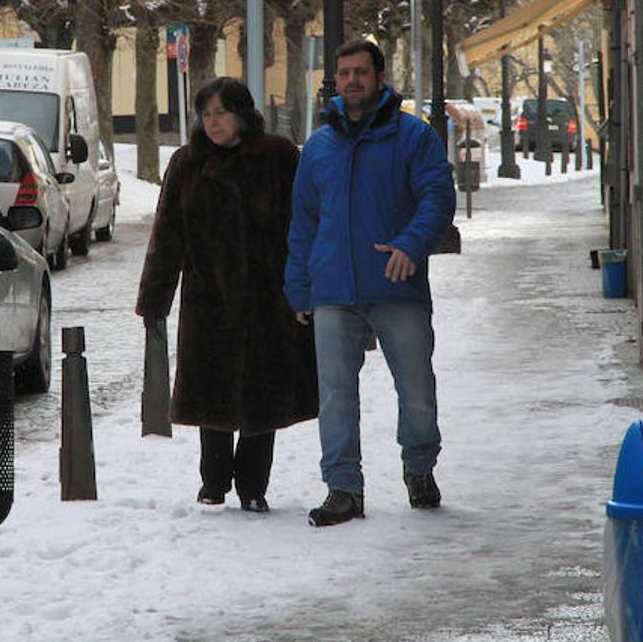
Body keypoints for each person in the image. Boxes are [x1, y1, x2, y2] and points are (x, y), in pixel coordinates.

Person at [285, 39, 455, 526]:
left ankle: (419, 468)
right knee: (336, 394)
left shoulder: (414, 137)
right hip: (333, 289)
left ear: (380, 78)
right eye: (343, 73)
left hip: (395, 285)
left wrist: (410, 244)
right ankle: (343, 488)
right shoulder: (319, 145)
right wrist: (299, 286)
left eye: (361, 72)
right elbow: (304, 222)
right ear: (334, 80)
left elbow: (437, 197)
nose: (351, 80)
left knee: (417, 389)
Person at [137, 77, 318, 513]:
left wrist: (304, 288)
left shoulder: (278, 157)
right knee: (211, 393)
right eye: (206, 114)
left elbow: (302, 227)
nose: (213, 122)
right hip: (209, 297)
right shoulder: (188, 163)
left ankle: (254, 485)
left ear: (241, 113)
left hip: (266, 298)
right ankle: (214, 480)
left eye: (221, 112)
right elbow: (168, 235)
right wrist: (155, 298)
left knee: (262, 396)